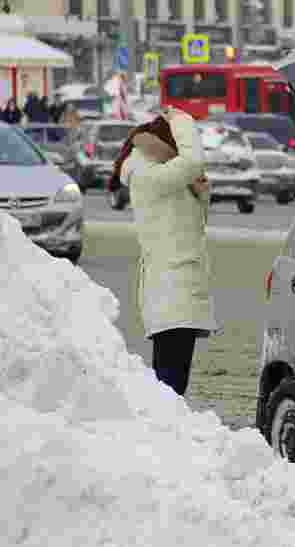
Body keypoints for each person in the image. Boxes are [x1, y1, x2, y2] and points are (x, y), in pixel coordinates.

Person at [109, 107, 219, 396]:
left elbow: (190, 217)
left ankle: (167, 433)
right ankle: (165, 435)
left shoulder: (161, 172)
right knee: (170, 385)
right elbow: (193, 161)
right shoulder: (148, 173)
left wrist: (200, 192)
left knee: (172, 382)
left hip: (179, 288)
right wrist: (183, 121)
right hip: (171, 289)